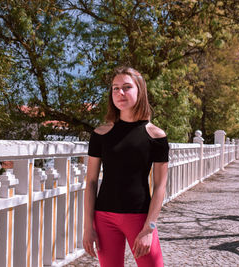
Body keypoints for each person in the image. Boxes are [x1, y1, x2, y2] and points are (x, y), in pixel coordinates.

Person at [83, 66, 169, 267]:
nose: (119, 93)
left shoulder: (156, 136)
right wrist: (88, 227)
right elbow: (91, 182)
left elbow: (160, 186)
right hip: (104, 219)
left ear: (140, 91)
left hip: (140, 218)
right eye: (115, 88)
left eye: (127, 87)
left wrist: (149, 228)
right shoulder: (100, 134)